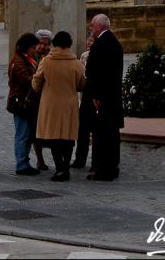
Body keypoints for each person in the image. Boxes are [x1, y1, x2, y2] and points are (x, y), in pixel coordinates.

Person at [31, 31, 85, 182]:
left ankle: (60, 168)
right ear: (69, 44)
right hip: (69, 104)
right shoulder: (76, 62)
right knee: (68, 137)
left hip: (50, 104)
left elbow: (36, 83)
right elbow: (81, 84)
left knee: (53, 137)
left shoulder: (46, 61)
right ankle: (65, 167)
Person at [84, 13, 124, 181]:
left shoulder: (103, 44)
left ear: (99, 26)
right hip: (112, 97)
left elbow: (100, 73)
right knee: (112, 135)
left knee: (103, 136)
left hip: (103, 99)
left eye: (92, 25)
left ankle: (103, 170)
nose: (91, 28)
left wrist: (97, 96)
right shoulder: (113, 42)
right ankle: (111, 167)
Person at [7, 32, 41, 176]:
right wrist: (38, 78)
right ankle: (21, 164)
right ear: (27, 47)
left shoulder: (28, 58)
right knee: (22, 133)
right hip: (21, 101)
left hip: (27, 101)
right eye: (33, 47)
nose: (35, 50)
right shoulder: (19, 60)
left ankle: (24, 161)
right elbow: (26, 79)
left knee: (27, 133)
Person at [72, 33, 96, 168]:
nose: (88, 42)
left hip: (91, 95)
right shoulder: (84, 56)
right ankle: (80, 158)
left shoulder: (93, 56)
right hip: (85, 96)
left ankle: (86, 159)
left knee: (87, 130)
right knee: (83, 131)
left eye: (91, 40)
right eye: (88, 40)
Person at [31, 28, 54, 171]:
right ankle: (40, 160)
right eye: (40, 43)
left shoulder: (52, 57)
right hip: (36, 99)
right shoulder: (31, 57)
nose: (43, 47)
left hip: (49, 99)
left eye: (46, 44)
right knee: (35, 131)